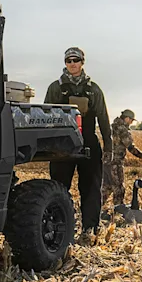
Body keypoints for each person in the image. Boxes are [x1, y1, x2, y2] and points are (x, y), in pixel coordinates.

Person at [44, 47, 112, 237]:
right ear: (65, 63)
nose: (72, 63)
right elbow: (46, 116)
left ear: (82, 62)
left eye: (76, 60)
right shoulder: (55, 88)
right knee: (58, 187)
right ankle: (57, 230)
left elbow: (104, 119)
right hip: (61, 144)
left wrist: (109, 146)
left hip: (88, 142)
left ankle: (90, 229)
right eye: (68, 60)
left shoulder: (93, 89)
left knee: (91, 188)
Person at [104, 109, 142, 208]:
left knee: (106, 187)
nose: (131, 123)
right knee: (119, 188)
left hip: (105, 162)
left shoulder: (112, 127)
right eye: (131, 120)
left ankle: (93, 210)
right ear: (126, 118)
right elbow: (131, 148)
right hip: (116, 162)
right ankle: (118, 211)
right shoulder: (122, 129)